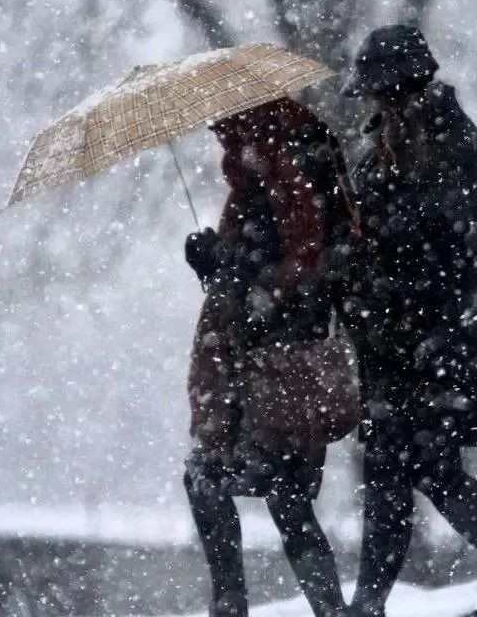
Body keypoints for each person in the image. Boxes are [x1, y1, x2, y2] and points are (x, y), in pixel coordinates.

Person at [338, 25, 477, 617]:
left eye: (379, 95)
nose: (372, 107)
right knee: (401, 469)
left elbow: (442, 246)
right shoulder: (396, 143)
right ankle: (372, 602)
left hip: (430, 338)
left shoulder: (450, 143)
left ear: (400, 88)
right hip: (395, 340)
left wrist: (370, 244)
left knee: (419, 466)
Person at [182, 97, 354, 617]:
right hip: (273, 370)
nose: (221, 141)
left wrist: (235, 274)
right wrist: (213, 263)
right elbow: (259, 271)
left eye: (225, 129)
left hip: (280, 372)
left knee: (227, 482)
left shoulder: (284, 179)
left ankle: (232, 602)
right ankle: (312, 608)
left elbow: (293, 273)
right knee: (282, 497)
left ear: (247, 124)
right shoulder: (263, 182)